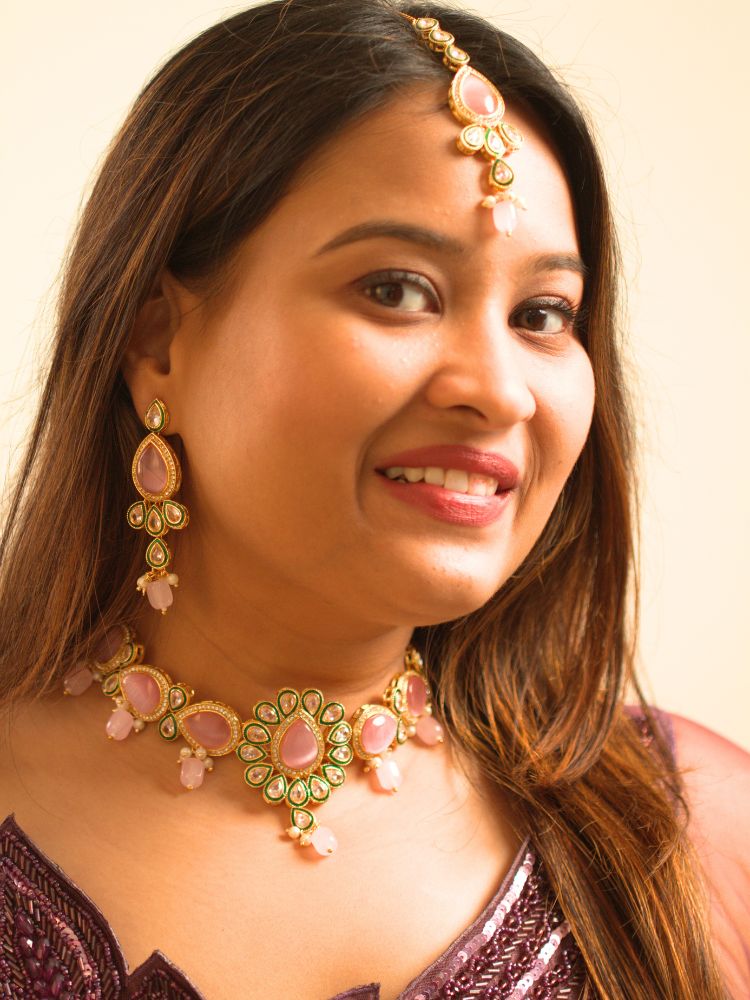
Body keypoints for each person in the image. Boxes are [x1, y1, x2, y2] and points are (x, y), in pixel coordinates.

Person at [0, 1, 747, 997]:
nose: (499, 387)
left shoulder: (687, 833)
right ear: (156, 343)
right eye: (398, 288)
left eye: (543, 315)